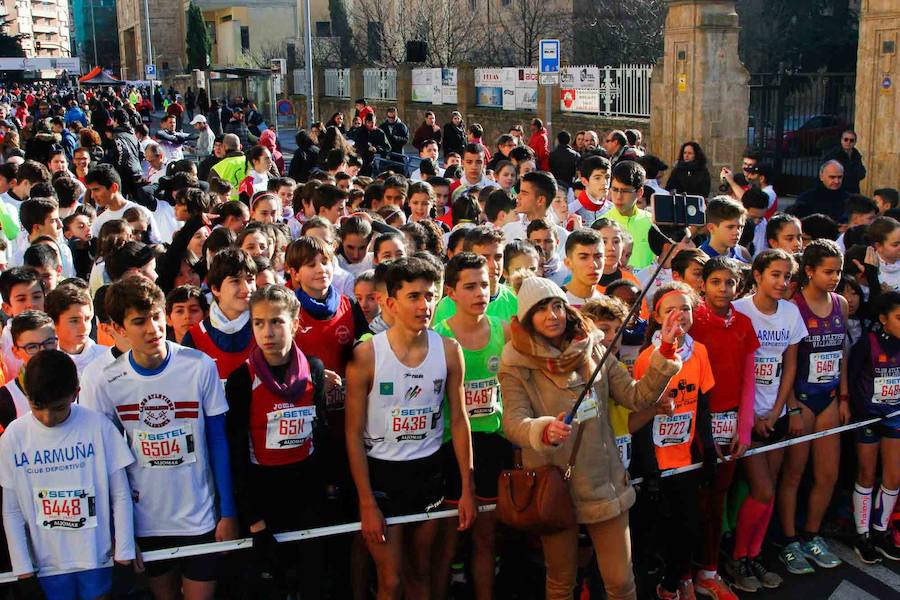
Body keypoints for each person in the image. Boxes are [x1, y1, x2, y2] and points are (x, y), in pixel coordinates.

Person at [500, 276, 682, 600]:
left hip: (603, 480)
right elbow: (513, 422)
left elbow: (636, 397)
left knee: (621, 583)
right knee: (560, 584)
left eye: (556, 305)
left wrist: (664, 351)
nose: (552, 315)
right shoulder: (515, 361)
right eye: (541, 309)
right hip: (552, 485)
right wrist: (542, 428)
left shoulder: (594, 346)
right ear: (527, 317)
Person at [80, 275, 238, 600]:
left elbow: (218, 441)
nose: (153, 328)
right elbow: (104, 462)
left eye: (156, 316)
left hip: (200, 517)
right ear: (118, 330)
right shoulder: (107, 380)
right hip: (146, 522)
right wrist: (118, 530)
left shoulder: (199, 366)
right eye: (140, 322)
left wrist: (228, 512)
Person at [345, 256, 476, 599]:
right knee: (390, 580)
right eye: (414, 296)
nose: (425, 305)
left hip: (428, 474)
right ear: (391, 303)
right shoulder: (366, 355)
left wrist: (467, 486)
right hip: (382, 478)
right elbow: (352, 433)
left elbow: (459, 421)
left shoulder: (449, 351)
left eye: (430, 296)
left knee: (420, 574)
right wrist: (365, 501)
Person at [0, 349, 135, 600]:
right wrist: (24, 571)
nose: (48, 418)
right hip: (47, 570)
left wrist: (124, 557)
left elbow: (121, 495)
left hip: (97, 560)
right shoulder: (13, 437)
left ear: (76, 393)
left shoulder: (98, 427)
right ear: (27, 395)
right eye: (38, 407)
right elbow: (11, 510)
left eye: (59, 408)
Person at [225, 284, 329, 597]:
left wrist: (325, 493)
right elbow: (236, 449)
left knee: (311, 582)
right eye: (259, 323)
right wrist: (253, 518)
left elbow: (320, 431)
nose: (267, 331)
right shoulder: (242, 379)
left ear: (295, 324)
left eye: (276, 322)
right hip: (263, 497)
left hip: (306, 494)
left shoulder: (313, 369)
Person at [431, 253, 510, 600]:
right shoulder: (437, 338)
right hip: (449, 448)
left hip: (492, 444)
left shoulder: (503, 331)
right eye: (470, 286)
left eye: (485, 284)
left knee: (486, 539)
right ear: (451, 292)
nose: (480, 292)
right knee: (447, 543)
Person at [728, 250, 807, 589]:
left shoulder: (790, 312)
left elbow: (790, 365)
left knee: (769, 489)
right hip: (746, 416)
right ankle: (736, 559)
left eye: (787, 276)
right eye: (775, 274)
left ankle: (754, 554)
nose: (782, 282)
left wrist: (777, 411)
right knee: (759, 488)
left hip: (776, 413)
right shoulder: (740, 310)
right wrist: (753, 415)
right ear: (757, 275)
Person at [689, 256, 760, 599]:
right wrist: (703, 433)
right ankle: (684, 574)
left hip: (730, 423)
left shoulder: (745, 323)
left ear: (739, 286)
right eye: (716, 281)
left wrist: (743, 431)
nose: (723, 288)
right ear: (703, 284)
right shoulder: (692, 321)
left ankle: (710, 571)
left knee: (717, 501)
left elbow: (749, 380)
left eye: (730, 282)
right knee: (692, 503)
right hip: (693, 427)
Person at [777, 240, 848, 572]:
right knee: (793, 475)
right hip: (801, 399)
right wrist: (790, 406)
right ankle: (788, 541)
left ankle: (812, 535)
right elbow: (785, 362)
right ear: (808, 271)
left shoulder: (841, 304)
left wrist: (844, 397)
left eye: (838, 271)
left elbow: (842, 354)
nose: (834, 278)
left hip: (830, 399)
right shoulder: (793, 305)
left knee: (828, 474)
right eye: (828, 271)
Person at [849, 291, 900, 563]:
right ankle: (862, 535)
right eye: (899, 318)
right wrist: (855, 407)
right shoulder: (867, 343)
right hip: (867, 418)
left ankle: (880, 532)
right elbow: (852, 375)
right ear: (883, 319)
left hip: (895, 417)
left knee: (893, 476)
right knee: (866, 473)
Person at [183, 248, 258, 382]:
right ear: (215, 289)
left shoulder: (265, 330)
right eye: (235, 281)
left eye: (250, 280)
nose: (246, 289)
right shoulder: (194, 338)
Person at [85, 165, 161, 244]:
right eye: (91, 190)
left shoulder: (142, 213)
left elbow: (156, 246)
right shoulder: (98, 223)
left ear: (114, 187)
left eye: (96, 190)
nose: (92, 196)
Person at [44, 282, 108, 374]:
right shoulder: (45, 363)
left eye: (87, 319)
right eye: (74, 321)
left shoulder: (106, 358)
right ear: (53, 322)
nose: (84, 327)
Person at [607, 161, 654, 269]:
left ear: (639, 192)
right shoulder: (601, 224)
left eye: (625, 191)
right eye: (615, 189)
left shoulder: (653, 223)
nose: (618, 196)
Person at [699, 196, 751, 262]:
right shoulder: (700, 259)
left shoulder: (743, 253)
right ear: (711, 228)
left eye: (740, 227)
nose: (737, 232)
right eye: (730, 227)